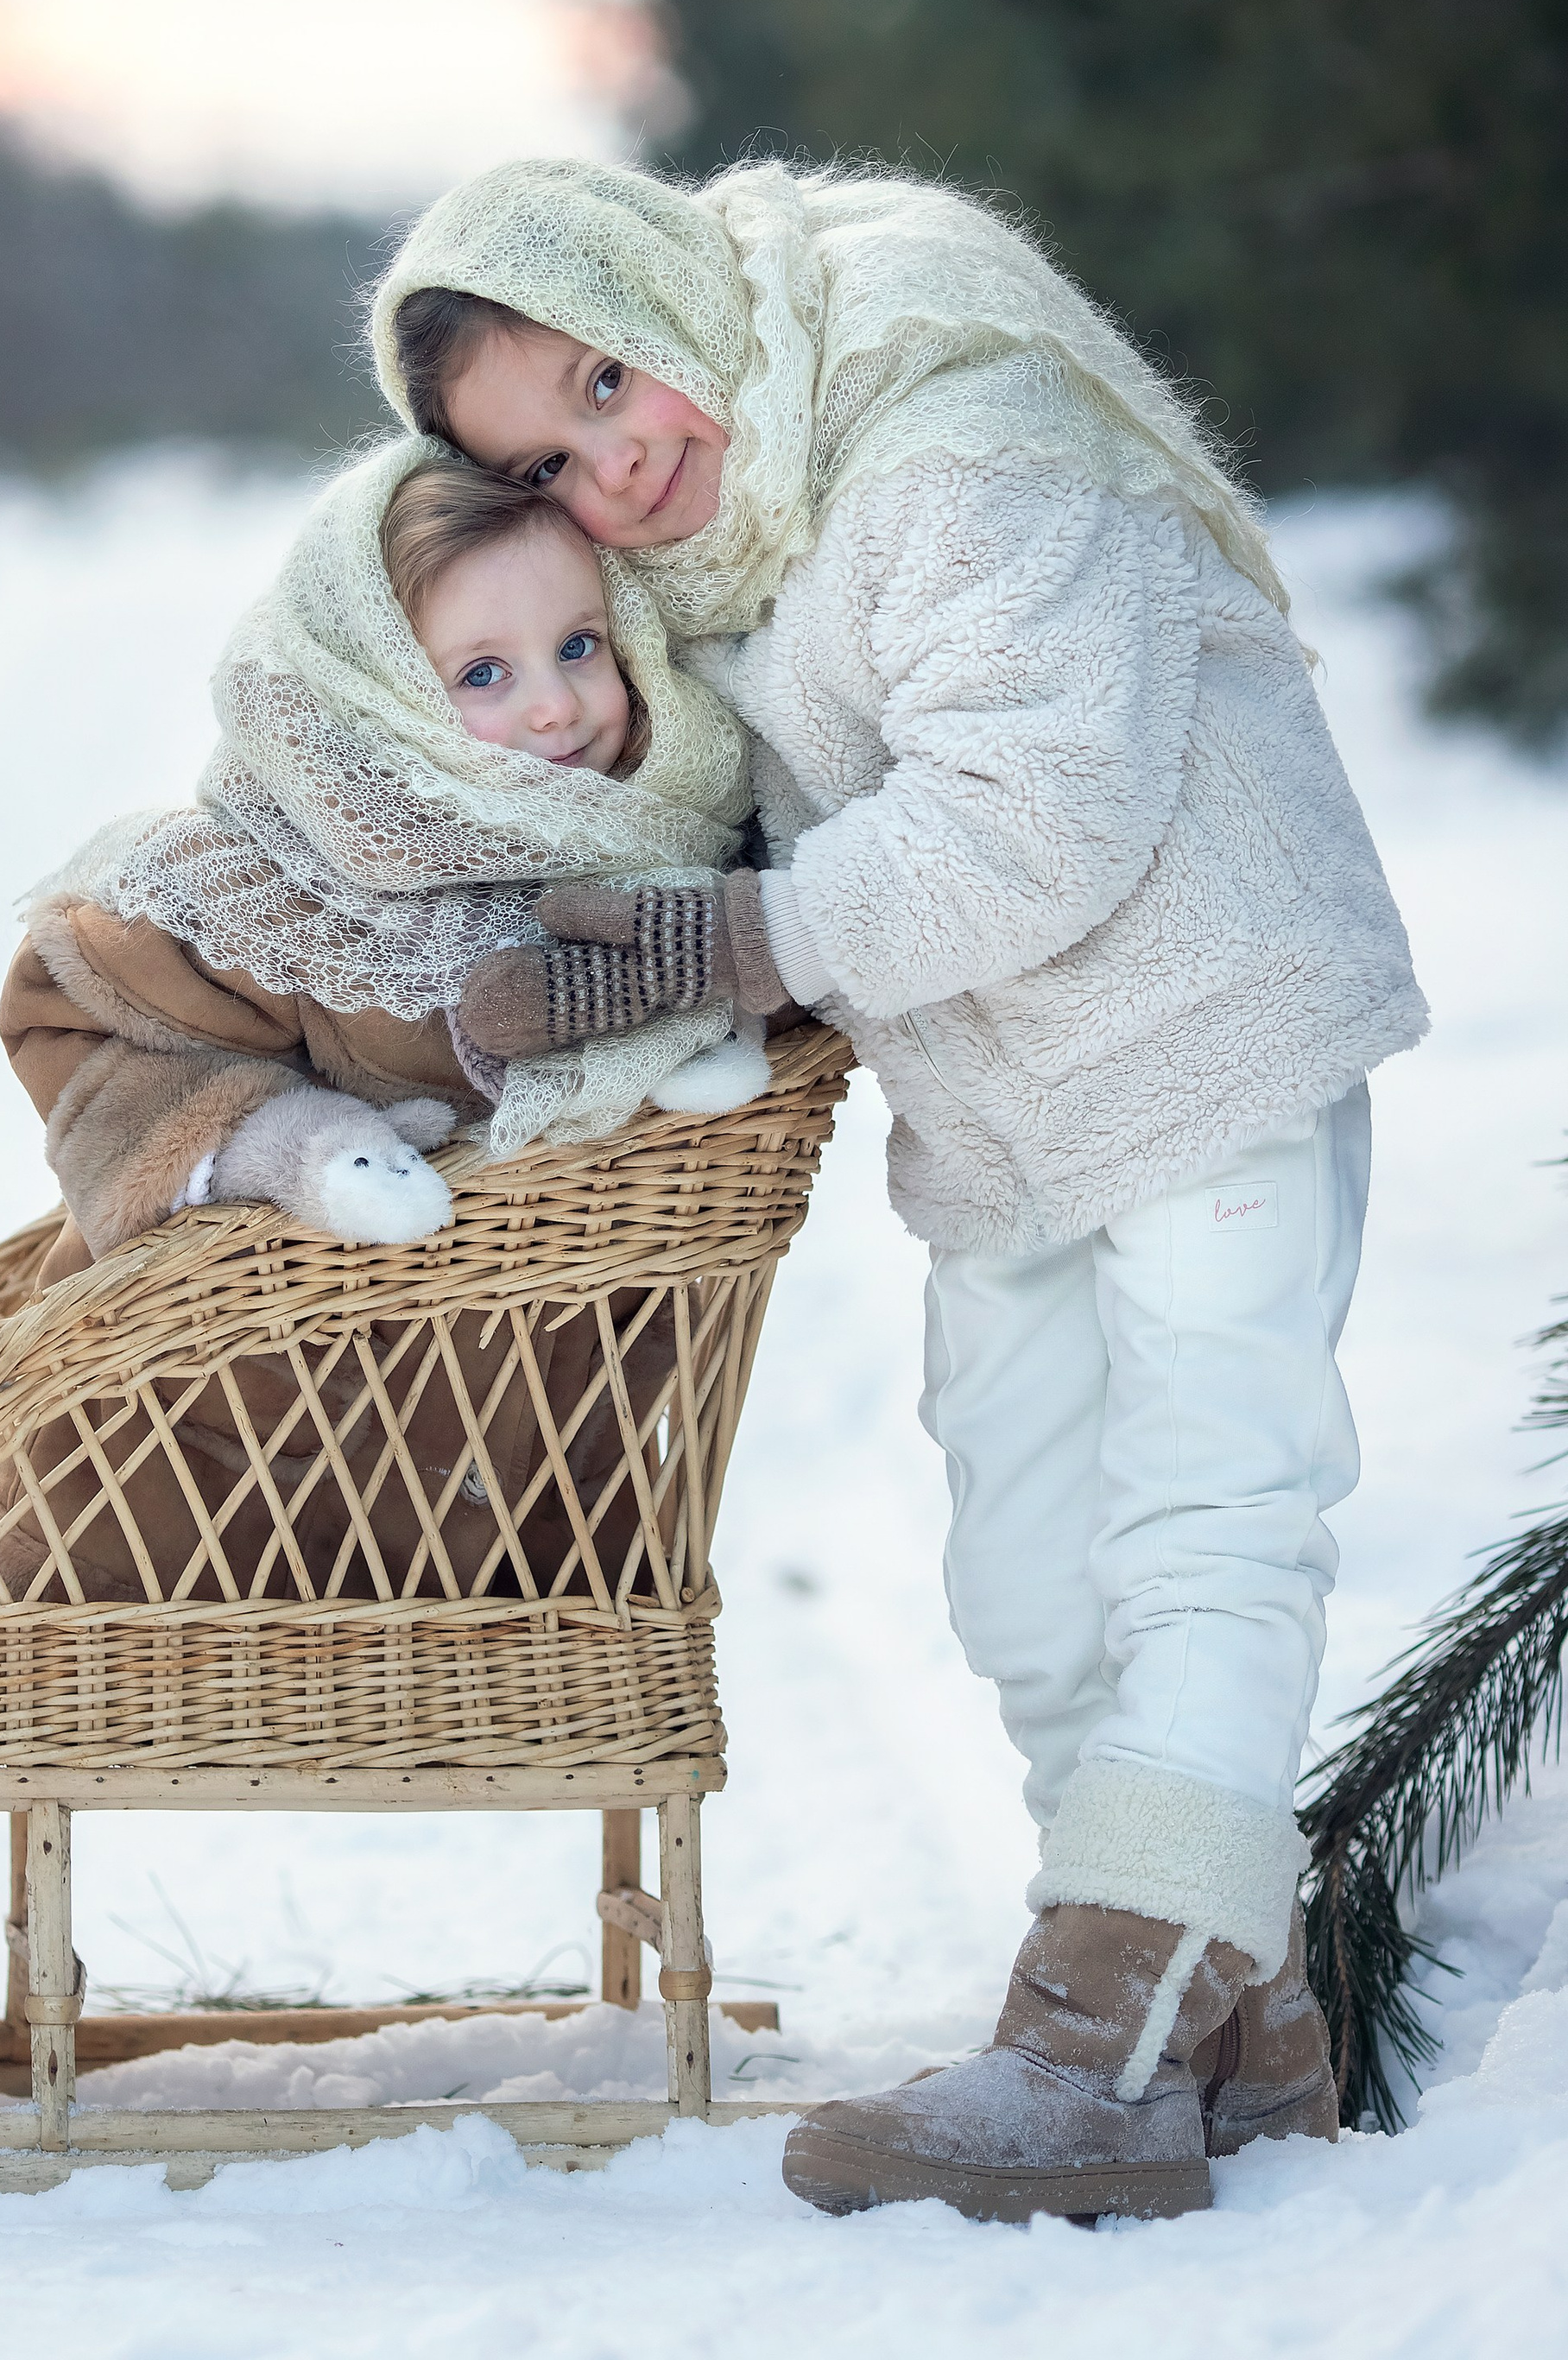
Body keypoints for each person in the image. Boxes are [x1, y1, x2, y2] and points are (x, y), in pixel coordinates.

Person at [371, 154, 1427, 2223]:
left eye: (607, 376)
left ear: (666, 292)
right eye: (544, 455)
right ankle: (1241, 2029)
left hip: (1207, 1008)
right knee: (1023, 1577)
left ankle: (1093, 2052)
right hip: (1005, 1088)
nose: (617, 459)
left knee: (1212, 1502)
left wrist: (720, 942)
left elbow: (1033, 815)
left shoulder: (951, 415)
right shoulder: (694, 542)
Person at [0, 443, 766, 1602]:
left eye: (579, 647)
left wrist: (669, 1039)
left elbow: (750, 960)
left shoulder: (666, 838)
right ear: (372, 697)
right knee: (126, 1595)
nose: (555, 705)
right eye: (482, 675)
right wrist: (285, 1144)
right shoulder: (292, 876)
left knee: (546, 1649)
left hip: (508, 1488)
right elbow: (67, 1013)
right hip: (186, 1471)